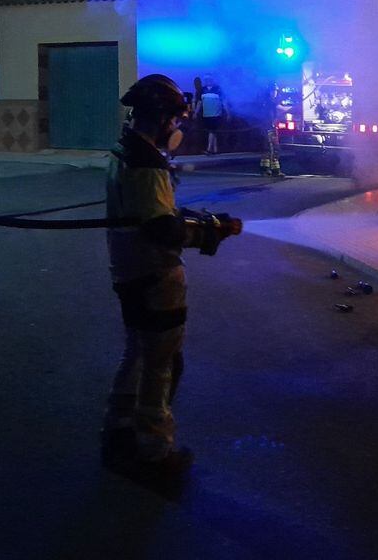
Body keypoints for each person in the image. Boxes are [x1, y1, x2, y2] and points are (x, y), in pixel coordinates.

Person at [102, 73, 242, 481]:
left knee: (138, 353)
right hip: (153, 272)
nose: (177, 128)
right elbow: (161, 228)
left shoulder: (125, 152)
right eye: (176, 120)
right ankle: (155, 451)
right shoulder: (145, 163)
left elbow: (150, 212)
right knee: (162, 364)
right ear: (161, 118)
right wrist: (211, 232)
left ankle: (119, 431)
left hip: (128, 268)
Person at [194, 75, 225, 154]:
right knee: (212, 131)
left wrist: (228, 112)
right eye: (206, 80)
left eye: (210, 79)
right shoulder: (202, 90)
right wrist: (196, 112)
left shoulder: (218, 89)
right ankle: (215, 149)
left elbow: (223, 101)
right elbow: (199, 102)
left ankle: (209, 149)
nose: (208, 81)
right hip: (206, 114)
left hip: (216, 113)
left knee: (212, 131)